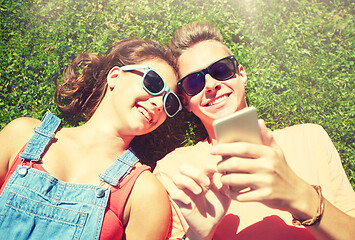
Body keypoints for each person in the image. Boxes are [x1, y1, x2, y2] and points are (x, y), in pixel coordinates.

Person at [154, 21, 355, 240]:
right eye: (194, 82)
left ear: (241, 74)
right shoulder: (173, 171)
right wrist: (197, 235)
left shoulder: (309, 139)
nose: (211, 84)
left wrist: (300, 196)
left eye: (221, 70)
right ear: (186, 102)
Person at [0, 38, 182, 240]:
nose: (159, 103)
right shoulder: (22, 134)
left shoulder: (145, 192)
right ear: (115, 76)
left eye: (169, 101)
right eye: (153, 83)